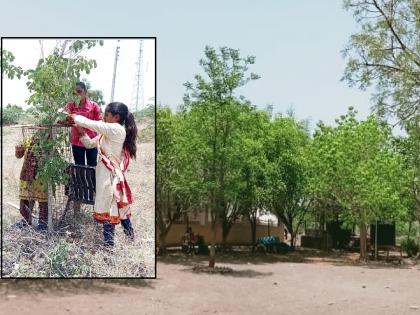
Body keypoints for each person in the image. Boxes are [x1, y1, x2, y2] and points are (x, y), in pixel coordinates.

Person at [66, 102, 137, 247]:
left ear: (116, 117)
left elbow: (93, 124)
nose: (104, 116)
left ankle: (108, 246)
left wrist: (76, 117)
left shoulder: (116, 129)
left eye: (107, 114)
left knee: (109, 209)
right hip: (105, 175)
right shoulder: (107, 134)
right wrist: (79, 129)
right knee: (119, 210)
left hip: (110, 177)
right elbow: (89, 144)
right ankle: (130, 239)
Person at [14, 134, 49, 230]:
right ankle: (26, 221)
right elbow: (19, 156)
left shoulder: (49, 139)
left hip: (42, 176)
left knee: (43, 202)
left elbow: (53, 156)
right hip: (27, 175)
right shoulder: (28, 137)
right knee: (25, 201)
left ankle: (43, 224)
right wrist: (18, 150)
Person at [65, 82, 102, 167]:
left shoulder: (93, 106)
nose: (77, 94)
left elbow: (99, 122)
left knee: (92, 166)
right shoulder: (70, 105)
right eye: (74, 93)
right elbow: (64, 117)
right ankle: (80, 181)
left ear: (85, 92)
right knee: (79, 167)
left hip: (92, 141)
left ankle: (91, 181)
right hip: (77, 141)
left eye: (79, 91)